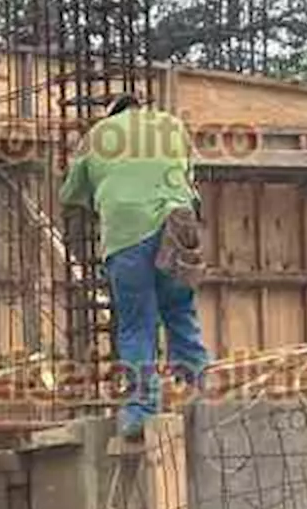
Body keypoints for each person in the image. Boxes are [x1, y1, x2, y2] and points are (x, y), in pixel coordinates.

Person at [60, 93, 211, 439]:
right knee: (179, 309)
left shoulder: (95, 137)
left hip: (126, 235)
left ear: (112, 114)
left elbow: (70, 194)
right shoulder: (172, 125)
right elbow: (189, 173)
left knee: (136, 324)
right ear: (141, 107)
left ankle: (142, 410)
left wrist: (98, 196)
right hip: (178, 223)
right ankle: (199, 390)